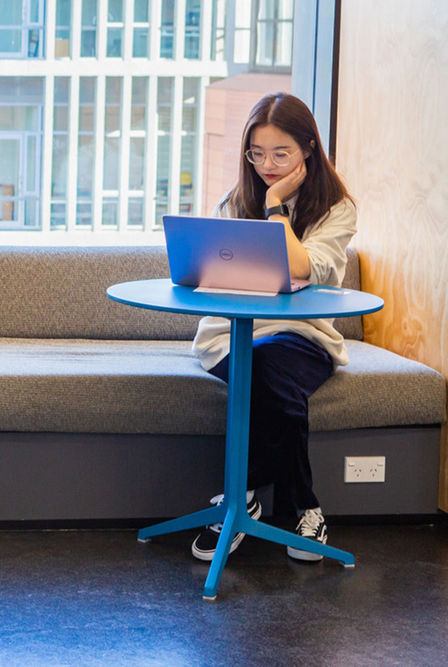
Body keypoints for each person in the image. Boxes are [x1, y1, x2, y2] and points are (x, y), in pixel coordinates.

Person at [189, 92, 357, 563]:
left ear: (308, 148)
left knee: (265, 367)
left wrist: (275, 204)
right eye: (257, 153)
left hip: (303, 335)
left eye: (280, 154)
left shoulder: (335, 209)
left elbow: (306, 266)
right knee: (267, 374)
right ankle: (305, 506)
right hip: (230, 335)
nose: (267, 165)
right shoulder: (233, 202)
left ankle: (240, 497)